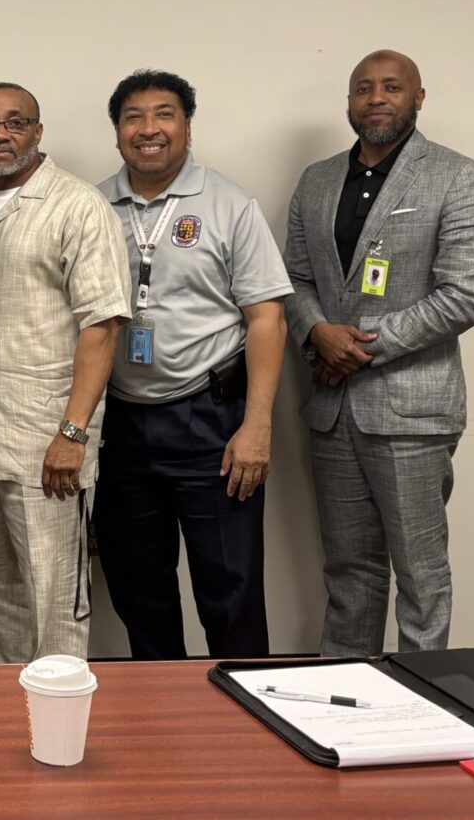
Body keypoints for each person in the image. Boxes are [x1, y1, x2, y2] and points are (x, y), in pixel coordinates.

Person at [284, 49, 474, 656]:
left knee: (420, 576)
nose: (376, 97)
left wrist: (360, 347)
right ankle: (347, 706)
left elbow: (465, 294)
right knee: (349, 573)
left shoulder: (459, 176)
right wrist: (317, 332)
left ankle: (424, 706)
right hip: (331, 409)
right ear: (348, 102)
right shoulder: (318, 180)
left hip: (411, 412)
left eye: (392, 87)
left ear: (419, 98)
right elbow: (295, 278)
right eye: (362, 88)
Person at [93, 69, 291, 659]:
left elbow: (267, 320)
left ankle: (246, 733)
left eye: (164, 114)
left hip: (213, 421)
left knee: (229, 591)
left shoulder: (229, 203)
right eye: (133, 116)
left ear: (187, 126)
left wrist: (256, 426)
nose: (148, 129)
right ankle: (165, 733)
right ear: (117, 131)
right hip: (122, 425)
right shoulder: (93, 206)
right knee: (139, 592)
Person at [0, 83, 129, 663]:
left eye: (15, 122)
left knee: (54, 604)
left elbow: (102, 327)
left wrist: (73, 434)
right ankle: (6, 734)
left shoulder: (76, 205)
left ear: (38, 132)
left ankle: (56, 741)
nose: (0, 134)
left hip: (47, 444)